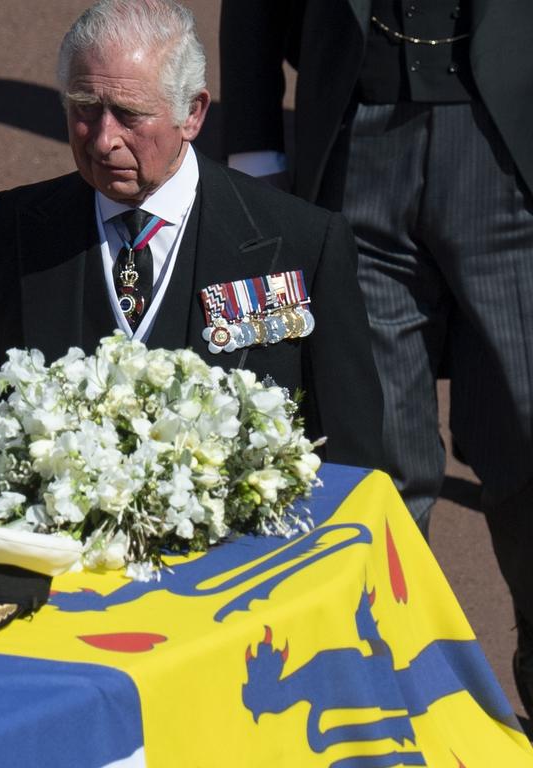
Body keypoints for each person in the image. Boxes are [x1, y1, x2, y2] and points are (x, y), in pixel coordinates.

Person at [218, 0, 533, 712]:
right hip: (352, 145)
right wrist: (255, 150)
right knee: (376, 455)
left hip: (511, 148)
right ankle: (398, 695)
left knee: (527, 433)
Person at [0, 0, 384, 473]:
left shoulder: (303, 241)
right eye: (84, 108)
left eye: (128, 113)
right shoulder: (15, 229)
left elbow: (351, 460)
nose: (103, 139)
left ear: (193, 114)